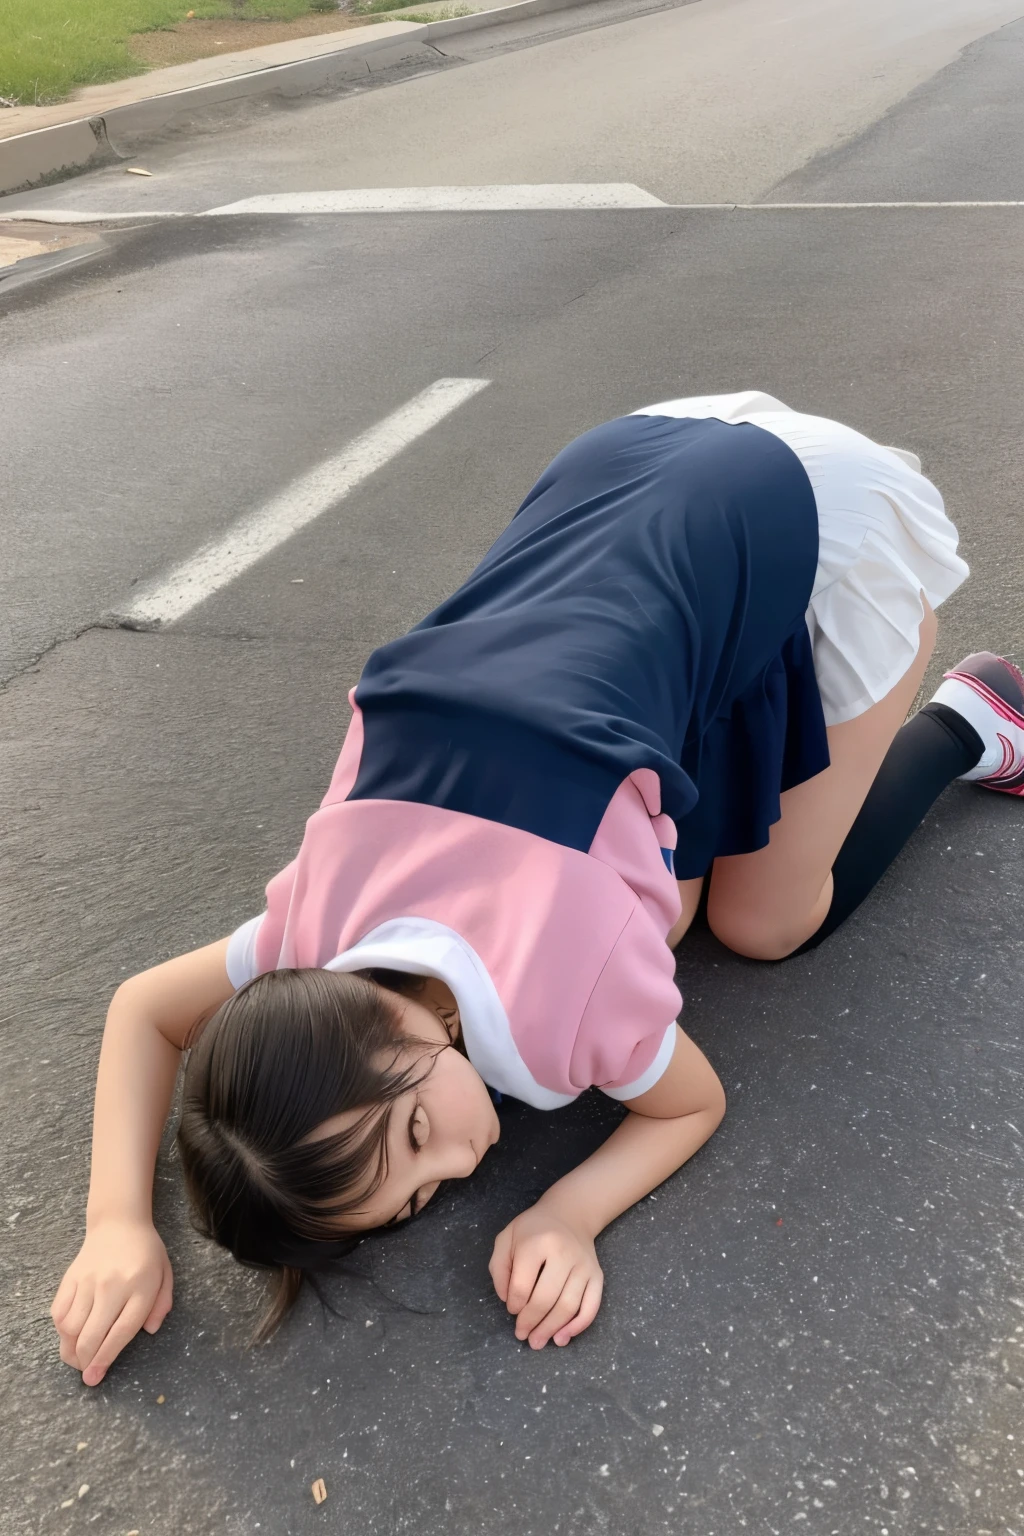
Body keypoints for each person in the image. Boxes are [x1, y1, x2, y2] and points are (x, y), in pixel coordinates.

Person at [51, 391, 1023, 1388]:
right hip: (620, 468)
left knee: (761, 924)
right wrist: (118, 1222)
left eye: (420, 1138)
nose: (463, 1168)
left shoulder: (568, 989)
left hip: (804, 513)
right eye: (420, 1198)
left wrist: (570, 1209)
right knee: (670, 912)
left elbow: (687, 1106)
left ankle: (971, 718)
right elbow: (147, 1012)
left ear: (382, 1026)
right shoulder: (316, 933)